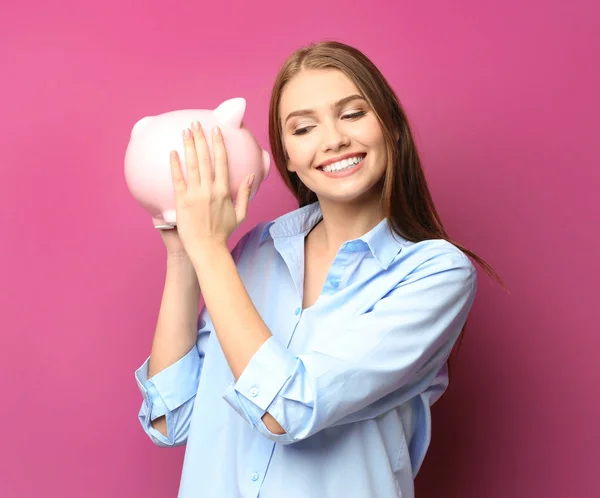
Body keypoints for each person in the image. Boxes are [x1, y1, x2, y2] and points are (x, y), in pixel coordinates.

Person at [134, 41, 501, 498]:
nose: (333, 140)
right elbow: (171, 418)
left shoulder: (435, 274)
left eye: (352, 114)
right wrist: (184, 252)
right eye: (304, 128)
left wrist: (210, 249)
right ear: (285, 155)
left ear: (391, 126)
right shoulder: (257, 251)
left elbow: (286, 409)